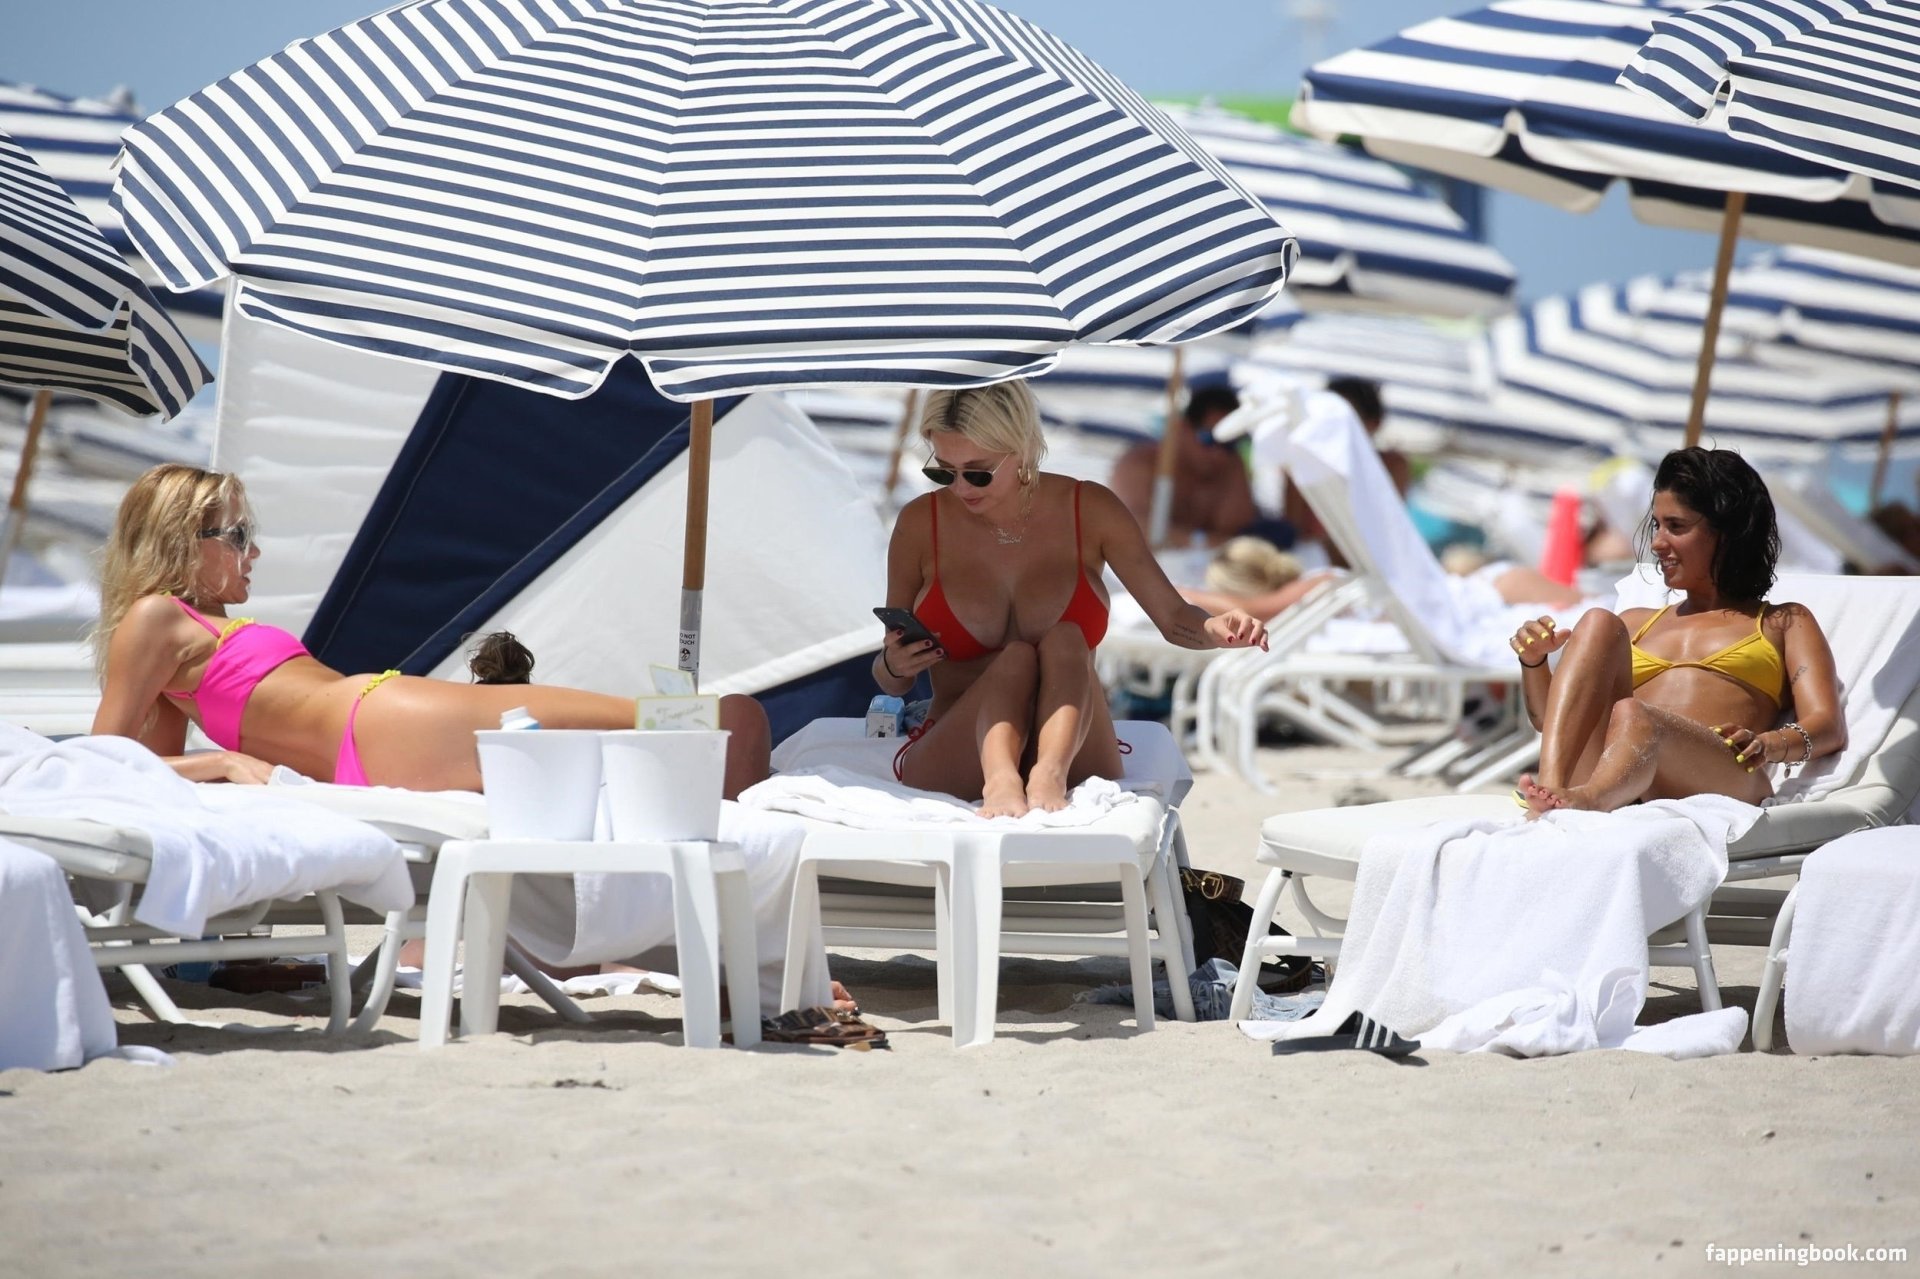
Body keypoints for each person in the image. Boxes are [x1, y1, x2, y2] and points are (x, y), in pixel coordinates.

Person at [91, 464, 772, 796]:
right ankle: (737, 909)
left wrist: (215, 763)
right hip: (381, 721)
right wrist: (220, 762)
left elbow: (150, 770)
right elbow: (104, 761)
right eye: (238, 536)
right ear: (182, 538)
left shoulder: (187, 632)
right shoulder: (157, 617)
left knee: (610, 762)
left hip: (372, 746)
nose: (254, 551)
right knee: (698, 720)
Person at [879, 381, 1269, 818]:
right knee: (1016, 658)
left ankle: (1047, 773)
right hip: (963, 747)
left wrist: (1214, 629)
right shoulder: (920, 525)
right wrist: (894, 665)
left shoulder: (1090, 510)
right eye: (943, 471)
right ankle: (1002, 779)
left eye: (978, 472)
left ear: (1022, 448)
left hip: (1072, 752)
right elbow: (891, 680)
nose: (961, 488)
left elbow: (1174, 616)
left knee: (1067, 639)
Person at [1512, 448, 1843, 817]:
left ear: (1728, 533)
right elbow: (1554, 724)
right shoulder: (1634, 623)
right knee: (1597, 622)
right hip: (1616, 773)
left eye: (1676, 526)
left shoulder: (1782, 622)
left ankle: (1588, 801)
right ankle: (1552, 793)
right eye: (1657, 526)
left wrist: (1770, 744)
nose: (1657, 542)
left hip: (1721, 775)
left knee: (1638, 716)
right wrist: (1534, 662)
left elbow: (1827, 725)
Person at [1108, 385, 1259, 547]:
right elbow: (1131, 528)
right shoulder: (1139, 463)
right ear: (1183, 428)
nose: (1218, 453)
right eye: (1209, 439)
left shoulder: (1230, 467)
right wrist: (1199, 541)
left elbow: (1235, 531)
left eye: (1229, 444)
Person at [1282, 377, 1409, 562]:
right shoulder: (1304, 462)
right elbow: (1294, 528)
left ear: (1373, 424)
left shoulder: (1391, 465)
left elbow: (1386, 530)